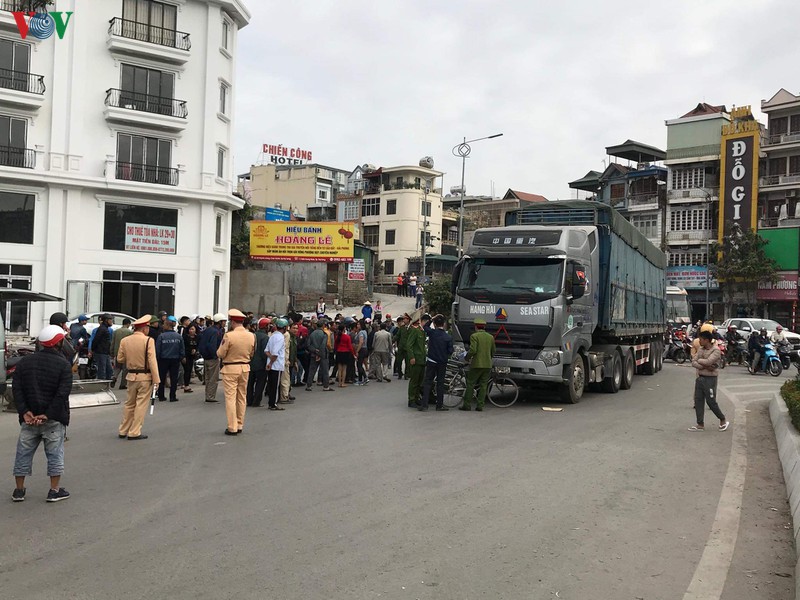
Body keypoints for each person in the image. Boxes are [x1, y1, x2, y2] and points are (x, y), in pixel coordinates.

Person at [11, 325, 73, 503]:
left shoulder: (24, 362)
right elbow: (62, 393)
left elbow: (17, 389)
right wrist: (47, 414)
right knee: (55, 454)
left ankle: (19, 491)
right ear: (58, 343)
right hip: (52, 419)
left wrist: (25, 412)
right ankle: (54, 491)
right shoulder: (63, 365)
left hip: (28, 420)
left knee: (23, 454)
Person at [116, 315, 160, 440]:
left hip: (131, 376)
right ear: (144, 328)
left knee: (129, 404)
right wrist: (157, 379)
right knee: (141, 405)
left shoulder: (125, 341)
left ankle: (123, 430)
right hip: (145, 376)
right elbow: (152, 361)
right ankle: (134, 431)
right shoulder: (148, 340)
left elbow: (120, 358)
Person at [217, 309, 255, 435]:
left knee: (230, 398)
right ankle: (240, 424)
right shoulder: (251, 335)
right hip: (245, 367)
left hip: (230, 368)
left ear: (232, 321)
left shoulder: (229, 335)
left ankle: (232, 426)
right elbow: (252, 352)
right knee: (241, 397)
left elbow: (221, 353)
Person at [688, 330, 729, 432]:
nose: (699, 341)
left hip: (710, 379)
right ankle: (700, 424)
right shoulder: (701, 349)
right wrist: (704, 365)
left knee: (711, 401)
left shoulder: (716, 350)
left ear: (706, 340)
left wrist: (701, 362)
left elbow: (709, 361)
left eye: (701, 339)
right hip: (700, 378)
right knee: (698, 401)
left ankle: (722, 420)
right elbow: (693, 361)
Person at [460, 318, 496, 412]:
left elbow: (473, 350)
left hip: (476, 364)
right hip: (487, 364)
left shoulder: (474, 336)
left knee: (470, 384)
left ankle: (467, 405)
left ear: (476, 326)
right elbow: (493, 351)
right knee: (484, 385)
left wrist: (467, 358)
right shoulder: (490, 337)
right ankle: (480, 405)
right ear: (484, 327)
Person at [421, 314, 454, 411]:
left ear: (435, 324)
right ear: (444, 324)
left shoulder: (432, 333)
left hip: (431, 361)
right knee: (440, 383)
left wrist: (431, 319)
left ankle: (424, 405)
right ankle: (439, 405)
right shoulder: (448, 337)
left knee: (428, 382)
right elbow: (450, 351)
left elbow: (425, 327)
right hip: (442, 363)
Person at [198, 313, 227, 402]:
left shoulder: (208, 330)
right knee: (213, 378)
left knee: (207, 378)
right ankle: (210, 396)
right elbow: (212, 345)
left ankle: (208, 395)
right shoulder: (216, 332)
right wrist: (216, 355)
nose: (225, 323)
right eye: (223, 321)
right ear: (219, 322)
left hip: (206, 357)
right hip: (212, 358)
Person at [155, 316, 184, 402]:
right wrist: (181, 357)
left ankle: (161, 395)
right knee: (174, 378)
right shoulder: (178, 336)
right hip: (175, 359)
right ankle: (172, 396)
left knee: (161, 378)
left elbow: (157, 349)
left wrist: (157, 359)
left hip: (163, 359)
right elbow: (182, 349)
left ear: (167, 325)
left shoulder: (161, 336)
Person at [246, 318, 270, 407]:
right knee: (260, 383)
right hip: (260, 364)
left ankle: (249, 400)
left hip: (250, 363)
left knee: (250, 383)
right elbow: (265, 352)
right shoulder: (265, 337)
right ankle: (256, 401)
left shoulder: (252, 335)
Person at [305, 319, 335, 392]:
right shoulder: (324, 334)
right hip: (323, 355)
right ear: (324, 325)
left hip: (313, 354)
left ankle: (309, 385)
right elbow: (323, 345)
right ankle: (326, 386)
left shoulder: (312, 334)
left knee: (312, 370)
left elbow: (308, 345)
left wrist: (315, 351)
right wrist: (319, 353)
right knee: (325, 371)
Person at [405, 312, 427, 408]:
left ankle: (417, 398)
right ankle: (411, 399)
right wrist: (412, 357)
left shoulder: (422, 331)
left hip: (422, 359)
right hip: (416, 359)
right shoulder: (414, 331)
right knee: (414, 381)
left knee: (419, 381)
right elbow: (409, 345)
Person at [265, 319, 288, 410]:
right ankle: (273, 404)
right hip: (276, 365)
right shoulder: (280, 338)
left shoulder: (272, 336)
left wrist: (269, 361)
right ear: (284, 327)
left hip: (270, 364)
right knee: (275, 385)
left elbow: (266, 351)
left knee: (271, 384)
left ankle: (271, 402)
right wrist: (271, 362)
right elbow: (275, 353)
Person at [110, 318, 133, 389]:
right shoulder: (129, 332)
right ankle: (123, 384)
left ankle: (114, 377)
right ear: (128, 324)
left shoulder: (116, 331)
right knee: (125, 369)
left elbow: (112, 343)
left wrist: (112, 352)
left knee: (117, 367)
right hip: (126, 353)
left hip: (117, 352)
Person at [90, 314, 114, 380]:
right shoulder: (102, 329)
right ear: (106, 320)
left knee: (109, 370)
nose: (112, 321)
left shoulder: (105, 328)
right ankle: (101, 386)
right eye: (110, 319)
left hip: (105, 352)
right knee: (102, 371)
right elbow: (96, 340)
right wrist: (93, 349)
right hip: (101, 352)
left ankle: (106, 385)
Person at [279, 323, 297, 404]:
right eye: (294, 328)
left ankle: (286, 394)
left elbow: (293, 350)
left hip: (291, 360)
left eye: (297, 328)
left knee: (288, 379)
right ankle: (284, 396)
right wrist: (286, 360)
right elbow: (285, 349)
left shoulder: (294, 338)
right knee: (285, 379)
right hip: (286, 361)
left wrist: (295, 360)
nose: (295, 330)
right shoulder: (287, 335)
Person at [334, 323, 355, 388]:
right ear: (344, 329)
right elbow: (350, 346)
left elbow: (335, 345)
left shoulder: (337, 336)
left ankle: (339, 382)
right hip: (345, 353)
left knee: (339, 369)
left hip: (339, 352)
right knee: (344, 369)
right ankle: (343, 382)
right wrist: (353, 354)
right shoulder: (347, 337)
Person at [182, 324, 199, 393]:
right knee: (186, 370)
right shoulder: (185, 337)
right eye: (190, 329)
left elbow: (198, 345)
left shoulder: (196, 337)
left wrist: (195, 350)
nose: (191, 331)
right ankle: (185, 385)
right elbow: (183, 347)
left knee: (189, 370)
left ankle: (187, 384)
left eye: (193, 329)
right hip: (186, 355)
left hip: (193, 356)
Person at [354, 320, 369, 385]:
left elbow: (361, 341)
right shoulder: (364, 332)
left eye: (358, 324)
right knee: (359, 364)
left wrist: (357, 350)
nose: (357, 326)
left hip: (362, 349)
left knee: (359, 365)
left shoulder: (361, 333)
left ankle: (365, 377)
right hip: (365, 349)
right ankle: (360, 380)